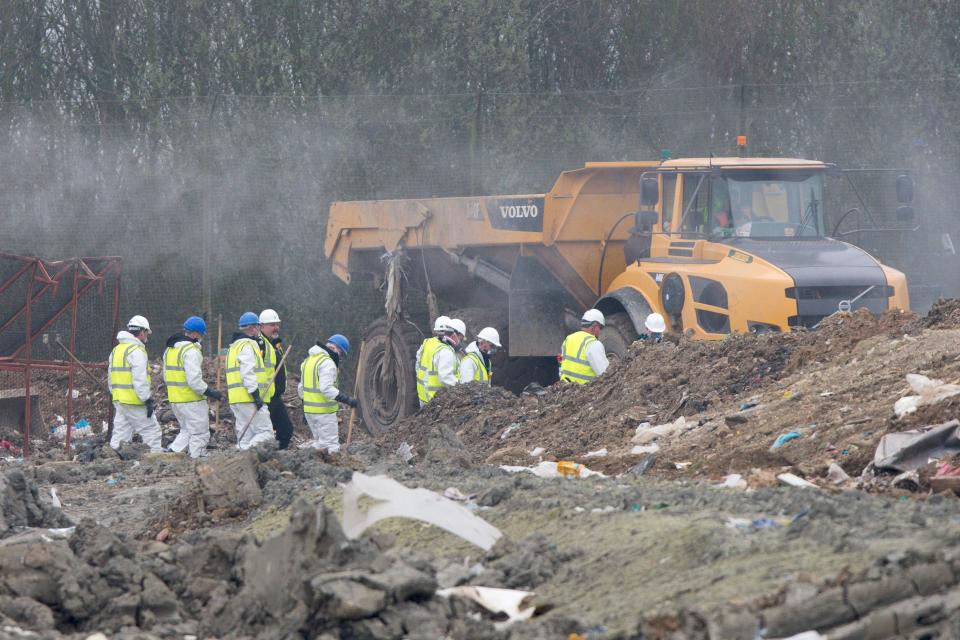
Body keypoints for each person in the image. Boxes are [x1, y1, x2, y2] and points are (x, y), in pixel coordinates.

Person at [163, 316, 223, 458]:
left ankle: (173, 453)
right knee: (200, 432)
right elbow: (194, 381)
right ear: (196, 333)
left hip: (175, 399)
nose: (201, 337)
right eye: (201, 334)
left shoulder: (170, 350)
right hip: (191, 400)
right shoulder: (191, 351)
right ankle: (198, 458)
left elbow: (166, 377)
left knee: (187, 430)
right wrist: (211, 392)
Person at [108, 315, 163, 452]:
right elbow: (140, 380)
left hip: (119, 400)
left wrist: (116, 394)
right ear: (142, 332)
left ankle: (113, 460)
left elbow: (110, 377)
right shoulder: (136, 351)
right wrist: (147, 399)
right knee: (151, 431)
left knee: (121, 435)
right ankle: (154, 461)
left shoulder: (117, 350)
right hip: (135, 401)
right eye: (146, 333)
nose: (147, 337)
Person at [298, 334, 357, 452]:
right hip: (323, 413)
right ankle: (333, 469)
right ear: (336, 349)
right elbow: (326, 388)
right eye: (341, 354)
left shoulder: (309, 360)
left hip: (310, 412)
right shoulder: (327, 363)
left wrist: (305, 409)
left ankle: (307, 458)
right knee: (331, 446)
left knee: (320, 444)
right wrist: (347, 400)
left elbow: (301, 388)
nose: (339, 358)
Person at [225, 312, 275, 449]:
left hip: (236, 398)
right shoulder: (248, 345)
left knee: (245, 437)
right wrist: (255, 395)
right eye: (258, 326)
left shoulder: (233, 347)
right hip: (249, 398)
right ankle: (249, 455)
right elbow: (247, 372)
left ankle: (241, 464)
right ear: (253, 328)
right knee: (265, 432)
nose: (259, 330)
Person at [258, 308, 293, 449]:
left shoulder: (274, 344)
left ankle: (277, 457)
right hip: (265, 395)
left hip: (275, 396)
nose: (276, 328)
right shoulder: (259, 343)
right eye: (272, 325)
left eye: (277, 324)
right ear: (262, 326)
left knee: (286, 430)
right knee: (263, 432)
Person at [416, 317, 463, 405]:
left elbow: (418, 365)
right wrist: (462, 389)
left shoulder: (427, 343)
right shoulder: (445, 351)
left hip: (423, 397)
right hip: (434, 401)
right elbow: (446, 377)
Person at [558, 309, 609, 384]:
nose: (600, 331)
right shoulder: (593, 344)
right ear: (594, 327)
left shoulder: (569, 339)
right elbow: (604, 373)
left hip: (565, 390)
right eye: (600, 327)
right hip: (584, 391)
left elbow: (561, 366)